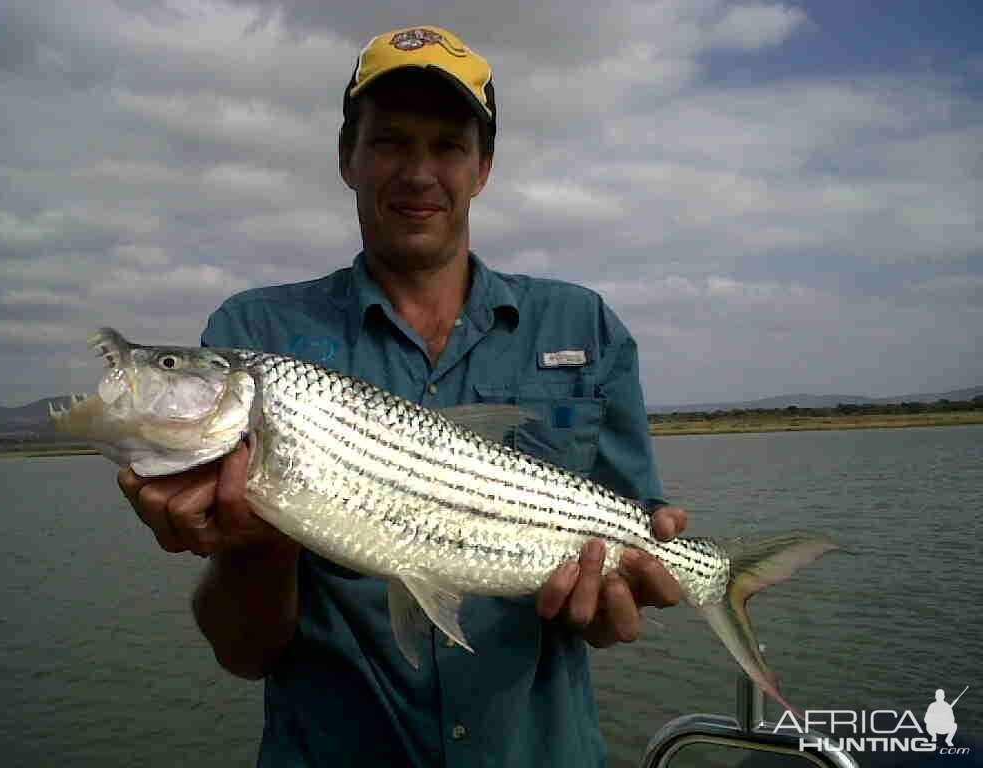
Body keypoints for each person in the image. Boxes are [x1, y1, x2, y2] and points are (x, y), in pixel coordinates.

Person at [117, 24, 688, 767]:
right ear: (347, 158)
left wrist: (610, 610)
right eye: (390, 141)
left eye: (449, 145)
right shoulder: (255, 333)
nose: (419, 172)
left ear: (483, 168)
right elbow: (244, 653)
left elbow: (625, 576)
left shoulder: (585, 324)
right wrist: (255, 550)